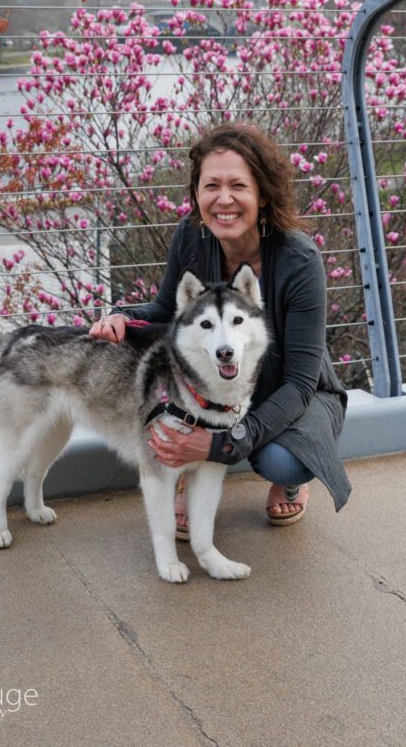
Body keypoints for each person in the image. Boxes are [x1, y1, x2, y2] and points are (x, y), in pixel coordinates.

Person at [89, 123, 351, 535]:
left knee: (279, 460)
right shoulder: (190, 238)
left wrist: (221, 445)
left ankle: (291, 480)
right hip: (222, 378)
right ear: (196, 193)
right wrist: (122, 318)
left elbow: (301, 384)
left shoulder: (300, 260)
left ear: (262, 194)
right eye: (211, 185)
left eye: (238, 186)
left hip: (291, 386)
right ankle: (192, 475)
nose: (223, 199)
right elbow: (164, 314)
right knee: (172, 377)